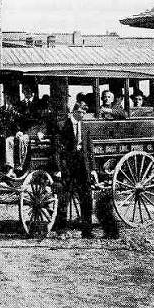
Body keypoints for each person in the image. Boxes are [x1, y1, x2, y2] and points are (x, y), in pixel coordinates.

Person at [53, 101, 94, 238]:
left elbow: (89, 149)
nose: (82, 115)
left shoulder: (85, 126)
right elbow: (57, 148)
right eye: (80, 112)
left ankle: (87, 231)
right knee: (65, 198)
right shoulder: (63, 126)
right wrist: (58, 168)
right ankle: (61, 230)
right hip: (68, 167)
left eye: (84, 113)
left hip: (83, 167)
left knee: (86, 197)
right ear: (74, 112)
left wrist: (92, 169)